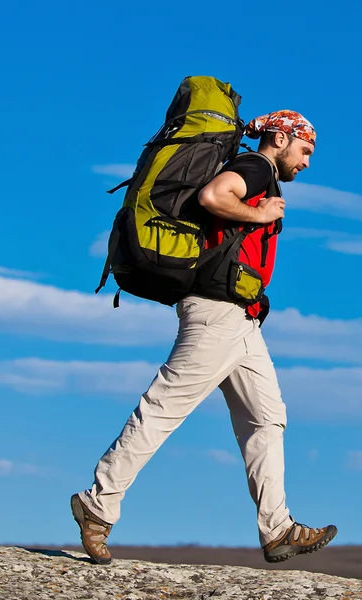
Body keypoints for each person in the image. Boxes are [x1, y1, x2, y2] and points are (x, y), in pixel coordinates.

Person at [71, 110, 338, 565]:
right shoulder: (257, 169)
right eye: (305, 150)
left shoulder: (261, 173)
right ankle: (97, 505)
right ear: (280, 138)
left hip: (242, 320)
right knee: (164, 408)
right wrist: (258, 212)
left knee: (266, 418)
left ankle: (278, 529)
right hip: (217, 314)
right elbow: (216, 195)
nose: (308, 162)